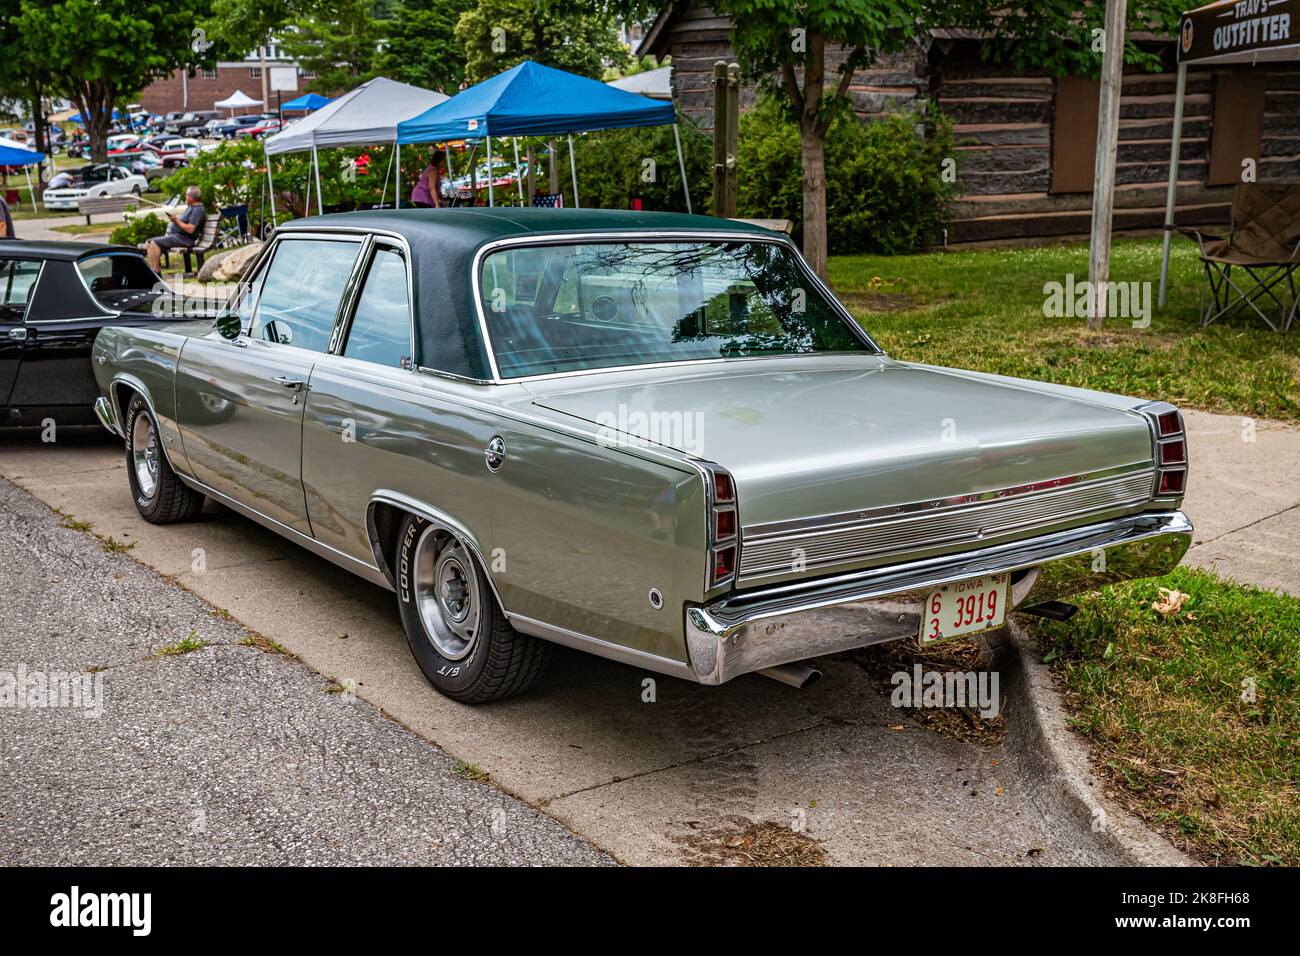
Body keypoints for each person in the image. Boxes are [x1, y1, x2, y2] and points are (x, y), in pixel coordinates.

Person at [145, 185, 205, 270]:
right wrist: (175, 220)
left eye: (186, 195)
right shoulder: (191, 207)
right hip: (177, 236)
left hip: (185, 239)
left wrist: (176, 220)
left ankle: (156, 271)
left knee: (154, 243)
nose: (185, 196)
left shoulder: (197, 209)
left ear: (191, 197)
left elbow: (191, 229)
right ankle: (154, 270)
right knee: (148, 243)